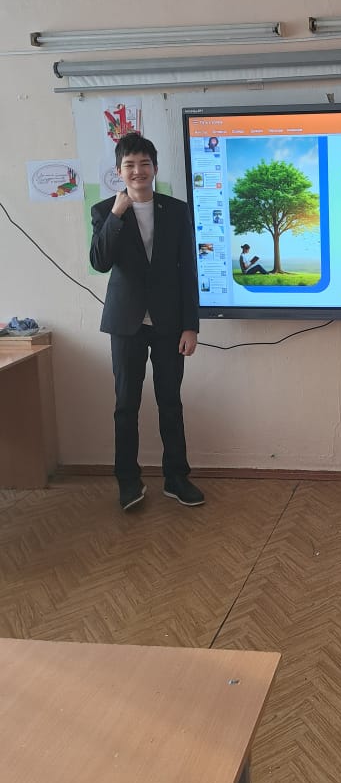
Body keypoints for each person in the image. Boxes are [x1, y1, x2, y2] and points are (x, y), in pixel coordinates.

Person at [90, 133, 205, 511]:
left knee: (170, 401)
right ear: (119, 171)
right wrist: (117, 214)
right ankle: (128, 482)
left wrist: (191, 325)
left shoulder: (176, 210)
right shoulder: (105, 210)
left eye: (144, 163)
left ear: (155, 168)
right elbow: (100, 261)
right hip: (126, 324)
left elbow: (188, 270)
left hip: (169, 323)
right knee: (126, 405)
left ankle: (176, 478)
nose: (137, 171)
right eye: (129, 165)